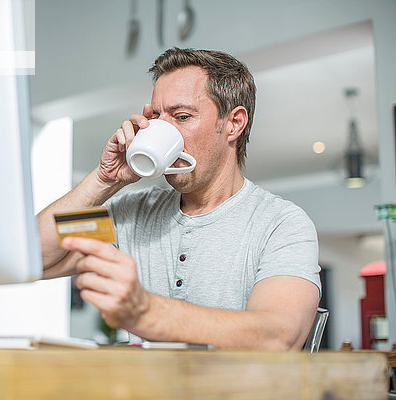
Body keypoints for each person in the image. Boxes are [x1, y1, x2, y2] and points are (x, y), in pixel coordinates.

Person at [37, 48, 321, 350]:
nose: (163, 129)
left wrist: (147, 312)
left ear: (234, 123)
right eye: (157, 117)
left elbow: (279, 336)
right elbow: (35, 257)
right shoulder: (130, 214)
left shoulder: (281, 224)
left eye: (182, 116)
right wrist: (103, 180)